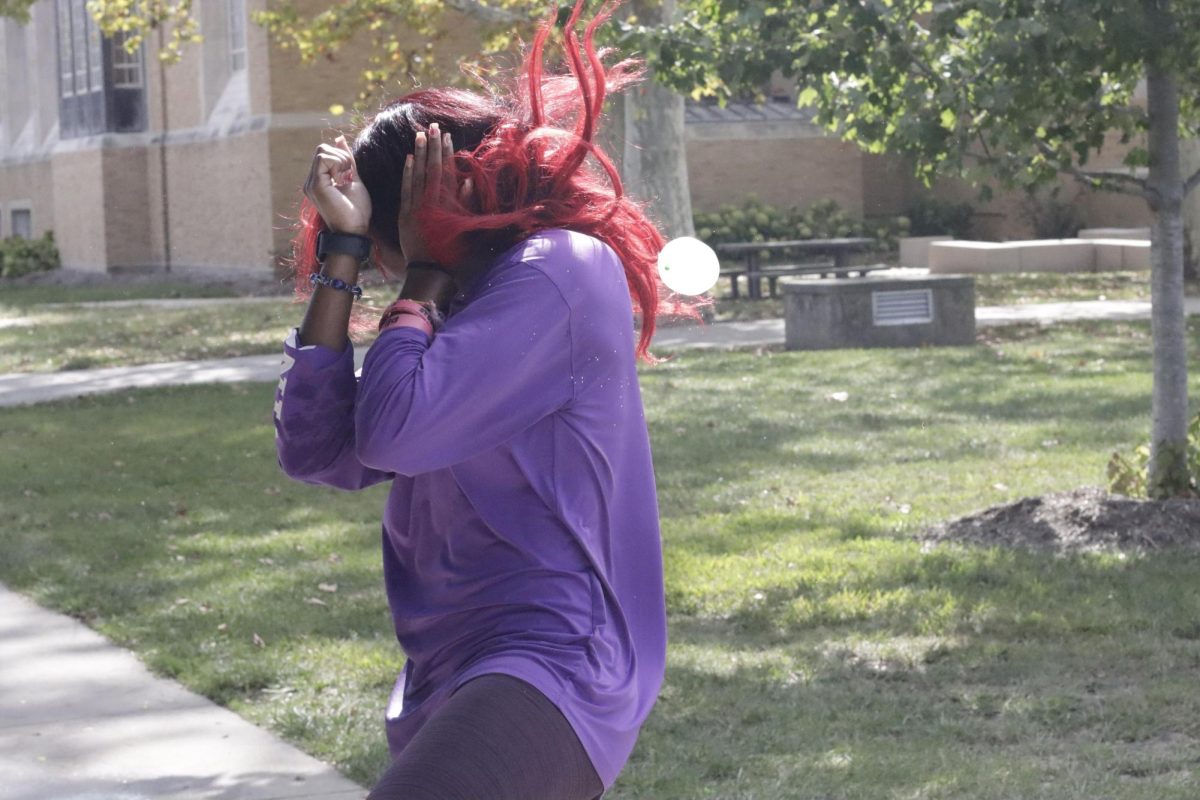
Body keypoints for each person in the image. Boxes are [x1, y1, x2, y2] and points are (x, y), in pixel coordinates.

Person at [272, 2, 689, 798]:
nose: (390, 269)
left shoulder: (559, 272)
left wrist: (425, 276)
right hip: (450, 661)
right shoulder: (452, 300)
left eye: (380, 237)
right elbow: (317, 449)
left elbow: (395, 433)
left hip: (553, 654)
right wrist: (342, 254)